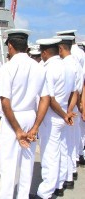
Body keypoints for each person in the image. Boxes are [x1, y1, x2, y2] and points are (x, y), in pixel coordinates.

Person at [0, 29, 50, 199]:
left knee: (8, 165)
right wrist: (35, 127)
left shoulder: (8, 67)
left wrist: (18, 130)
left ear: (10, 46)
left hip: (12, 118)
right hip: (30, 116)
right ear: (26, 46)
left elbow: (5, 101)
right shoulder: (39, 67)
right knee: (27, 164)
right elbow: (45, 99)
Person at [35, 38, 76, 199]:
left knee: (49, 155)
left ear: (44, 52)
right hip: (63, 116)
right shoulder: (67, 67)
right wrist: (67, 112)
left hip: (52, 117)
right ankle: (59, 184)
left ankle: (45, 193)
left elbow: (50, 99)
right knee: (62, 150)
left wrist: (64, 114)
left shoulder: (49, 69)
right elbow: (74, 92)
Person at [54, 35, 83, 191]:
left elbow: (74, 92)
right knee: (71, 143)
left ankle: (66, 177)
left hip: (66, 109)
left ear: (60, 48)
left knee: (63, 145)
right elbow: (78, 90)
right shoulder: (76, 63)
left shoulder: (65, 64)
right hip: (73, 108)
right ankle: (71, 174)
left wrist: (68, 112)